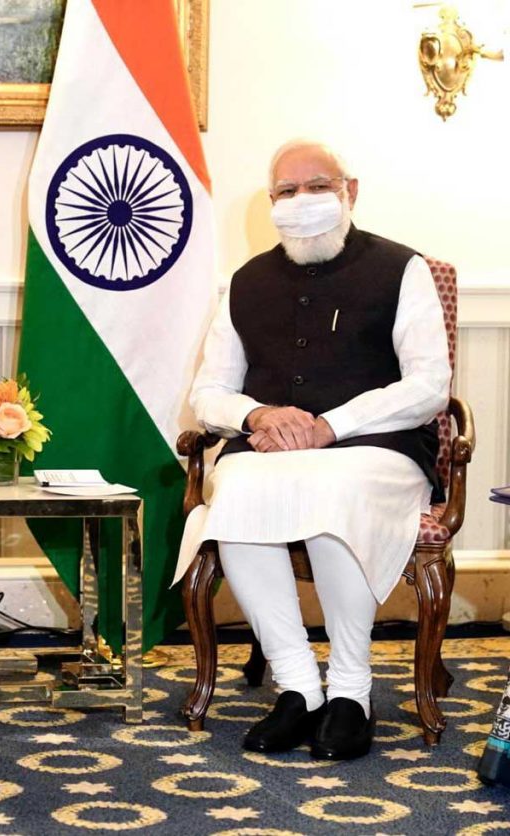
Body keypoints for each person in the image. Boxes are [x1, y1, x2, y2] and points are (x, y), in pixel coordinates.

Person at [175, 139, 450, 761]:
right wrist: (259, 413)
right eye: (287, 191)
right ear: (270, 203)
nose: (303, 201)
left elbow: (429, 385)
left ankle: (352, 690)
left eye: (317, 186)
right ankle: (299, 686)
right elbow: (209, 391)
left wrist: (330, 425)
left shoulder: (402, 269)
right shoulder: (246, 282)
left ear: (350, 191)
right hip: (273, 450)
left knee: (333, 492)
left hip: (380, 450)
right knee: (236, 491)